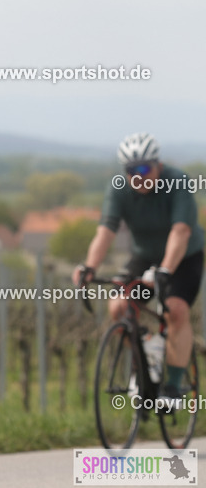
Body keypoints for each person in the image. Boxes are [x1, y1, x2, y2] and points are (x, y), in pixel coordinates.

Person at [74, 132, 204, 410]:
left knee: (176, 311)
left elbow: (181, 231)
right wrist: (89, 267)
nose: (138, 176)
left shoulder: (177, 181)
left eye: (144, 168)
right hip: (143, 257)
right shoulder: (119, 188)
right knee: (119, 307)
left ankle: (172, 387)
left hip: (183, 257)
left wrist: (166, 269)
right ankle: (149, 347)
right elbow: (105, 231)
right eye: (131, 170)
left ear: (158, 165)